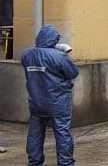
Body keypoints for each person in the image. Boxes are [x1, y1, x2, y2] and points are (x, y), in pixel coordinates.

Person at [21, 25, 79, 166]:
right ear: (54, 39)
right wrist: (62, 53)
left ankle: (34, 162)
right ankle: (65, 163)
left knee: (35, 134)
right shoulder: (59, 56)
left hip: (36, 102)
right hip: (58, 103)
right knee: (62, 133)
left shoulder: (26, 55)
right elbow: (73, 73)